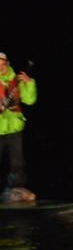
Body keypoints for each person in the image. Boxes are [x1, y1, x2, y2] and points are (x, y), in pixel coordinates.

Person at [0, 52, 38, 198]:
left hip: (15, 127)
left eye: (2, 63)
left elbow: (30, 100)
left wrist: (29, 83)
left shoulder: (16, 81)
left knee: (18, 162)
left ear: (7, 63)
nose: (0, 66)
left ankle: (16, 188)